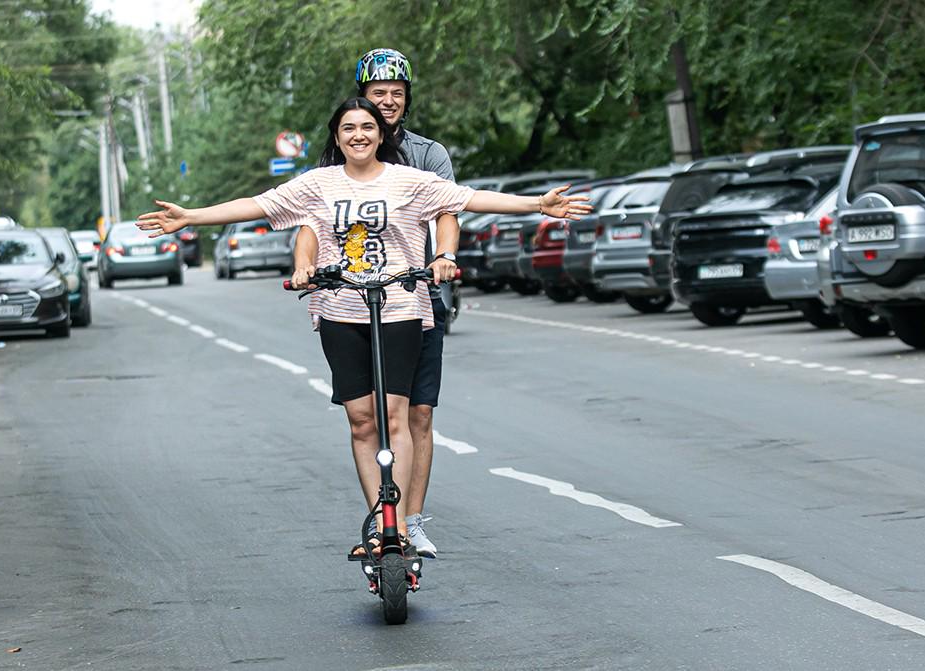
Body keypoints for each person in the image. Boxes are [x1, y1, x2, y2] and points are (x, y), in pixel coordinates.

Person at [136, 97, 589, 558]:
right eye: (349, 127)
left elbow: (468, 199)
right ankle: (380, 522)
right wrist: (191, 215)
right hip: (340, 313)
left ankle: (403, 528)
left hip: (399, 309)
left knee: (396, 418)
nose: (359, 135)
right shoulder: (317, 184)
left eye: (367, 127)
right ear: (337, 137)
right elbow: (256, 205)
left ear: (381, 135)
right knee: (361, 422)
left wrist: (537, 204)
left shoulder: (409, 181)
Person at [292, 48, 455, 558]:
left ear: (407, 101)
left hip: (415, 297)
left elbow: (452, 209)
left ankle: (411, 520)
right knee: (366, 417)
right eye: (377, 93)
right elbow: (310, 222)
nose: (386, 103)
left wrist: (445, 257)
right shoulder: (342, 152)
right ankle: (381, 522)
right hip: (351, 302)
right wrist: (306, 267)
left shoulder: (429, 155)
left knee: (416, 416)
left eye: (396, 95)